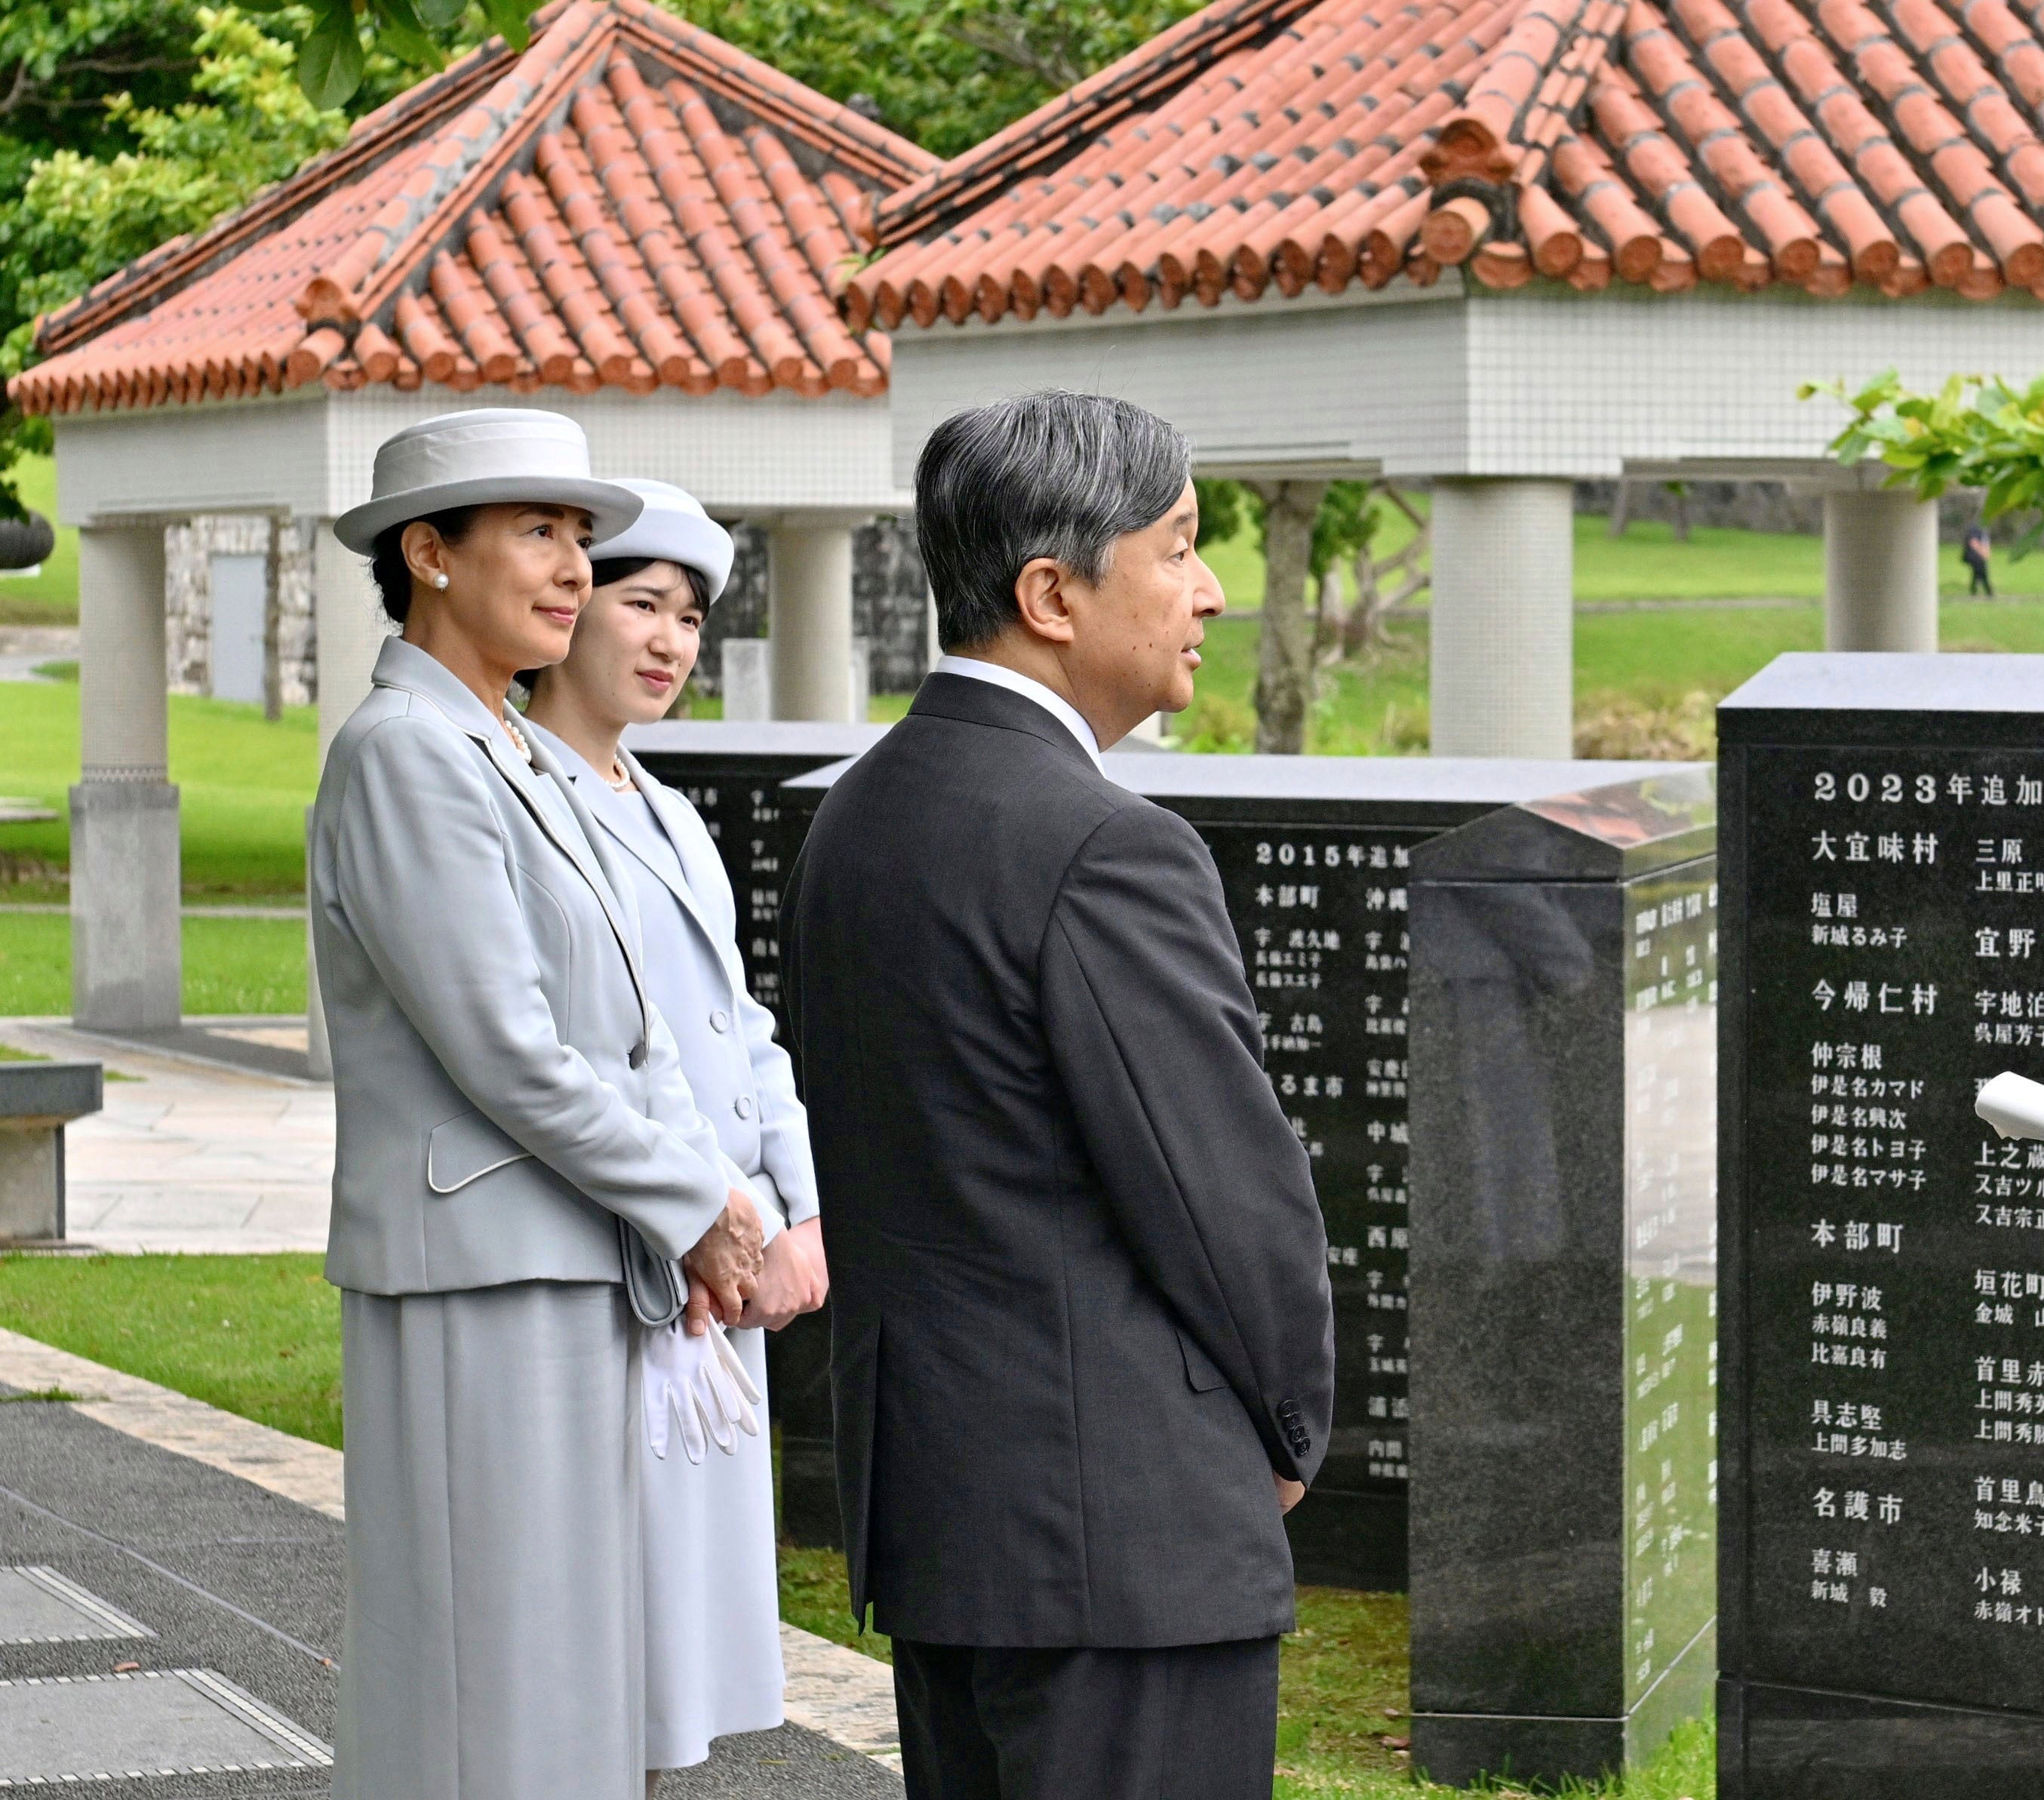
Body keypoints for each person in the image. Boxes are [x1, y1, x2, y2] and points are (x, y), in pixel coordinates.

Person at [782, 391, 1335, 1800]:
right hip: (1124, 1532)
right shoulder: (1103, 845)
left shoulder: (857, 814)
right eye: (1178, 547)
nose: (1209, 591)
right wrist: (1286, 1428)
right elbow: (1220, 1194)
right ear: (1052, 594)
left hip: (948, 1513)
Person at [312, 410, 766, 1800]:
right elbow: (507, 1049)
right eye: (537, 532)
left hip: (565, 1258)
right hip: (476, 1273)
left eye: (580, 536)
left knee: (563, 1677)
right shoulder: (406, 750)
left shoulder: (504, 749)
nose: (574, 567)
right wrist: (695, 1203)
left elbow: (627, 1033)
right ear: (429, 554)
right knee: (482, 1676)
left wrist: (707, 1197)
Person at [517, 478, 829, 1794]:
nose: (668, 641)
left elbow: (740, 1029)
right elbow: (571, 1058)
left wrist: (800, 1210)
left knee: (678, 1655)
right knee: (599, 1637)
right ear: (571, 606)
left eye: (690, 619)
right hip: (640, 1260)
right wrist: (712, 1219)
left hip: (727, 1259)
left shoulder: (669, 810)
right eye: (641, 603)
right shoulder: (513, 793)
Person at [1961, 522, 1994, 596]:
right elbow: (1973, 543)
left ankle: (1974, 591)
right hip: (1974, 556)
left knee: (1977, 574)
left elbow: (1984, 544)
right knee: (1983, 573)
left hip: (1977, 557)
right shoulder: (1976, 529)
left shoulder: (1982, 530)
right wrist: (1983, 553)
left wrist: (1986, 553)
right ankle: (1989, 592)